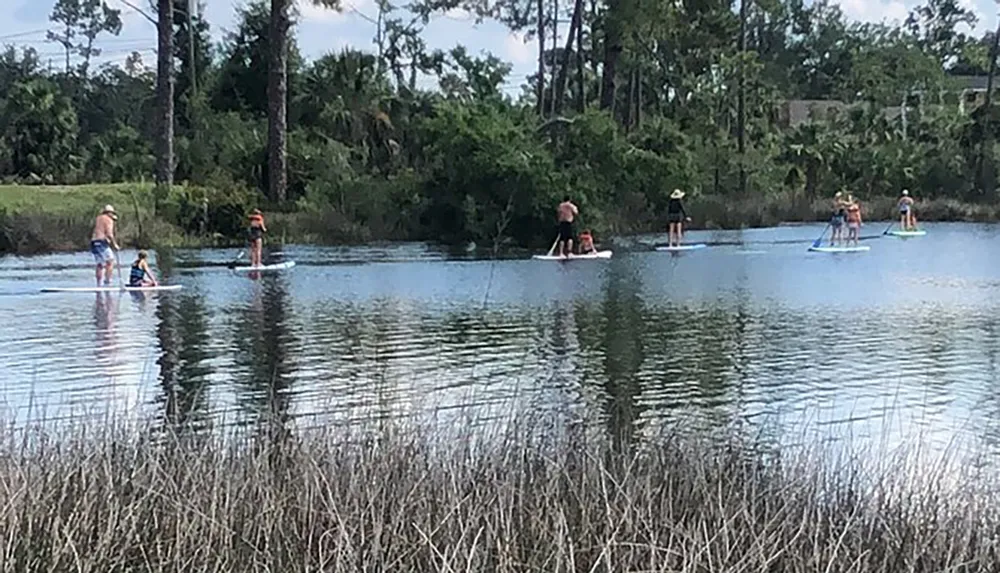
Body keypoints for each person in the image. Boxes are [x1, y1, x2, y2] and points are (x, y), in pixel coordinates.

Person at [90, 204, 120, 286]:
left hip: (94, 242)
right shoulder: (108, 220)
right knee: (110, 261)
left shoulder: (98, 218)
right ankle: (107, 282)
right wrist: (115, 244)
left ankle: (98, 284)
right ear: (109, 213)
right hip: (101, 242)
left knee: (100, 263)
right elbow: (109, 234)